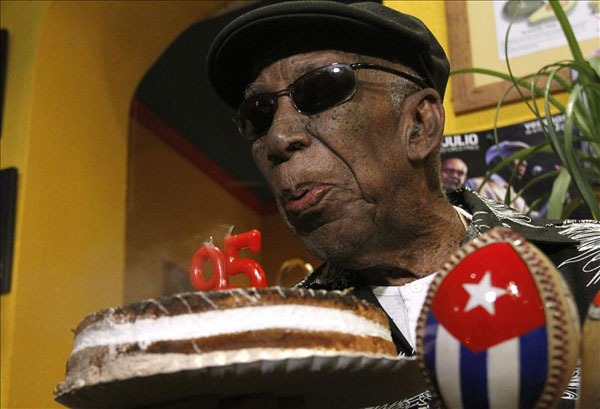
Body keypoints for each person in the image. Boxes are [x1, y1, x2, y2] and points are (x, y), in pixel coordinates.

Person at [207, 2, 599, 407]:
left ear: (419, 125)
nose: (277, 137)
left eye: (319, 90)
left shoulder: (589, 265)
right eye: (259, 114)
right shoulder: (278, 347)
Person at [466, 140, 530, 213]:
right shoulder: (475, 184)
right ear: (497, 160)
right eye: (518, 157)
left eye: (524, 159)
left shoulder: (518, 198)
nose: (524, 163)